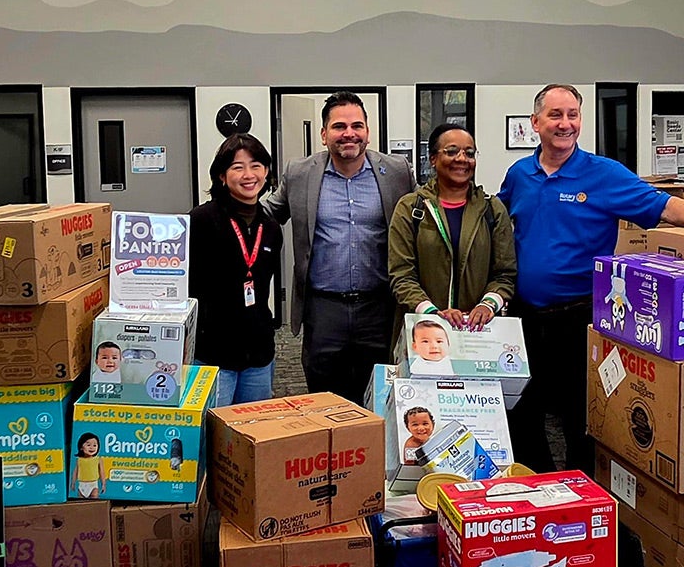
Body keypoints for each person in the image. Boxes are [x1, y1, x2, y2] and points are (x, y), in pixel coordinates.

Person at [497, 83, 684, 473]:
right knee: (523, 411)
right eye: (555, 115)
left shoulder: (604, 174)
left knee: (581, 413)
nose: (565, 124)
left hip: (580, 317)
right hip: (523, 317)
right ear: (535, 122)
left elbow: (662, 205)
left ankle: (581, 494)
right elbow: (497, 222)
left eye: (573, 115)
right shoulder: (519, 175)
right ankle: (535, 489)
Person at [265, 91, 415, 403]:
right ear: (323, 134)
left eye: (357, 125)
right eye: (339, 126)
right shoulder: (299, 173)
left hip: (380, 307)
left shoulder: (397, 172)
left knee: (380, 397)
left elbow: (425, 217)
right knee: (324, 397)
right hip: (323, 310)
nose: (349, 133)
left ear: (368, 131)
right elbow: (266, 213)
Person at [388, 122, 516, 332]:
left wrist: (488, 304)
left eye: (469, 153)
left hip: (478, 334)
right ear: (433, 159)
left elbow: (505, 274)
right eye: (452, 151)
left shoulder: (492, 209)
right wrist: (432, 312)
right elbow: (401, 274)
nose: (462, 159)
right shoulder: (411, 208)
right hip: (423, 330)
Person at [190, 133, 284, 406]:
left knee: (254, 432)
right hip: (212, 353)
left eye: (256, 165)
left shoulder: (271, 226)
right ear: (221, 175)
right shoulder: (201, 220)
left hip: (258, 353)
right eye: (237, 167)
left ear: (266, 172)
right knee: (213, 435)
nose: (248, 174)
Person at [71, 433, 105, 499]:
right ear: (81, 447)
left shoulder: (98, 459)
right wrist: (73, 483)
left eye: (94, 445)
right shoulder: (79, 460)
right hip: (81, 485)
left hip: (93, 484)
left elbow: (102, 472)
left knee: (94, 499)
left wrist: (103, 484)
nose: (92, 447)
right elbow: (75, 472)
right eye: (88, 445)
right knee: (81, 501)